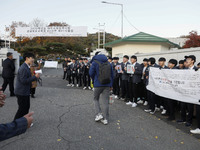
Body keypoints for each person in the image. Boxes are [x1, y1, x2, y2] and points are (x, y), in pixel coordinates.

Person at [14, 53, 40, 121]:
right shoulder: (23, 68)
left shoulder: (27, 66)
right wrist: (35, 77)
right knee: (22, 109)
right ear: (27, 58)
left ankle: (24, 122)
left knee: (26, 108)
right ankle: (15, 123)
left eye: (33, 58)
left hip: (25, 91)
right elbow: (23, 80)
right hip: (21, 92)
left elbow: (26, 78)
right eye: (32, 58)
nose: (33, 59)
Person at [89, 52, 113, 125]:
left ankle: (99, 114)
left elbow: (91, 73)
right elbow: (112, 75)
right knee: (105, 101)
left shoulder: (95, 62)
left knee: (95, 99)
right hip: (107, 84)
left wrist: (94, 80)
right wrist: (111, 85)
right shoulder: (108, 63)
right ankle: (106, 119)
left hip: (98, 84)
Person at [177, 55, 198, 126]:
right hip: (184, 91)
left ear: (193, 61)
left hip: (192, 92)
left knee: (190, 108)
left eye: (188, 59)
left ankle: (189, 121)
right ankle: (183, 119)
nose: (186, 61)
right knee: (182, 106)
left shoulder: (197, 70)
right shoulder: (185, 70)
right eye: (186, 59)